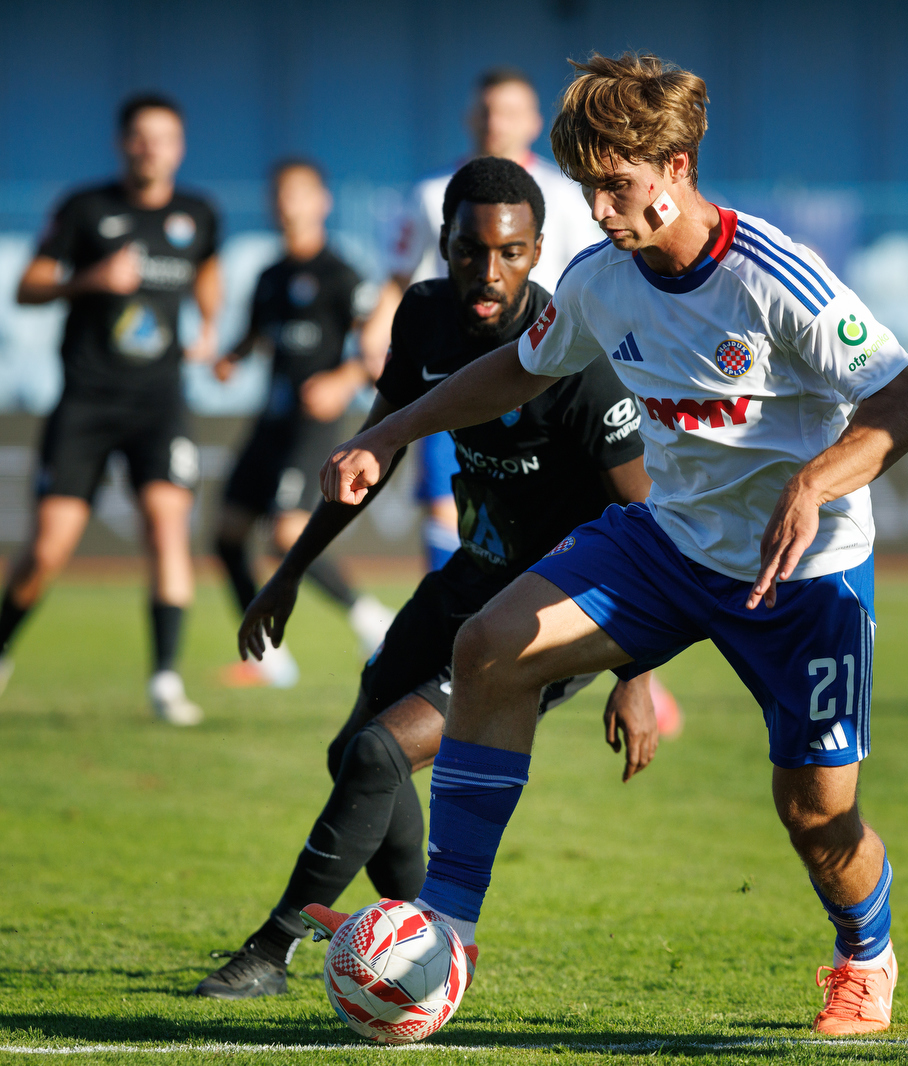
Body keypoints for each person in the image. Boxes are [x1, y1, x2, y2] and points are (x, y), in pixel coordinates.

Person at [312, 54, 908, 1035]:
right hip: (667, 545)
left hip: (801, 577)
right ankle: (449, 927)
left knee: (815, 817)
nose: (601, 208)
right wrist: (386, 431)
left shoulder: (774, 279)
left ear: (677, 166)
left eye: (618, 184)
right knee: (487, 645)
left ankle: (865, 952)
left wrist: (817, 480)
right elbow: (514, 374)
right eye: (588, 187)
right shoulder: (601, 279)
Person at [202, 157, 658, 999]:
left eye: (512, 253)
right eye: (470, 252)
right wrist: (290, 572)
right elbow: (374, 448)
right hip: (467, 578)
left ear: (539, 250)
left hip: (548, 618)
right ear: (442, 245)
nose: (490, 274)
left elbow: (644, 524)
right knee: (354, 755)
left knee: (379, 753)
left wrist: (636, 672)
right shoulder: (424, 319)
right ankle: (425, 945)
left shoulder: (578, 360)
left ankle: (271, 950)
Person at [0, 92, 221, 726]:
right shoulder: (85, 209)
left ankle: (164, 679)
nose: (152, 147)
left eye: (165, 137)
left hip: (158, 401)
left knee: (166, 523)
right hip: (86, 401)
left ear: (179, 148)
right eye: (141, 136)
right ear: (123, 143)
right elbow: (27, 286)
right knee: (48, 548)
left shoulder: (199, 214)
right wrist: (90, 280)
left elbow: (206, 272)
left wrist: (208, 323)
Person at [361, 67, 601, 577]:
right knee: (450, 505)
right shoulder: (431, 193)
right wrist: (374, 334)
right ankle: (453, 619)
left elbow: (591, 285)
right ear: (471, 116)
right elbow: (398, 277)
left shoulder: (564, 196)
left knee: (563, 509)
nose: (496, 122)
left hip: (543, 375)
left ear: (535, 122)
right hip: (450, 368)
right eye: (487, 110)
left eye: (509, 111)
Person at [211, 159, 393, 686]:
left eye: (297, 193)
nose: (286, 203)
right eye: (279, 194)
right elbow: (254, 336)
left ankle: (370, 619)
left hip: (313, 424)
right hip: (271, 420)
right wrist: (231, 357)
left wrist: (344, 378)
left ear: (321, 202)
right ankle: (268, 656)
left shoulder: (342, 274)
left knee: (285, 532)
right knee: (226, 536)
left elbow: (378, 349)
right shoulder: (270, 276)